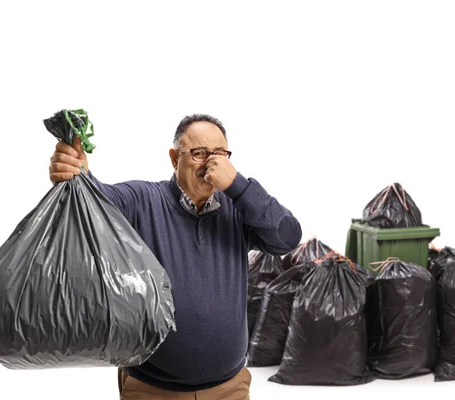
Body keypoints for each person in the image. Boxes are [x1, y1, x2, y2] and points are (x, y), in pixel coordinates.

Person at [49, 114, 302, 399]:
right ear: (174, 158)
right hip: (151, 390)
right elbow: (91, 206)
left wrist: (238, 186)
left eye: (220, 155)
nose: (210, 164)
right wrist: (77, 175)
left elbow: (287, 238)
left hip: (228, 389)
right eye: (199, 154)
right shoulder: (142, 200)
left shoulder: (238, 208)